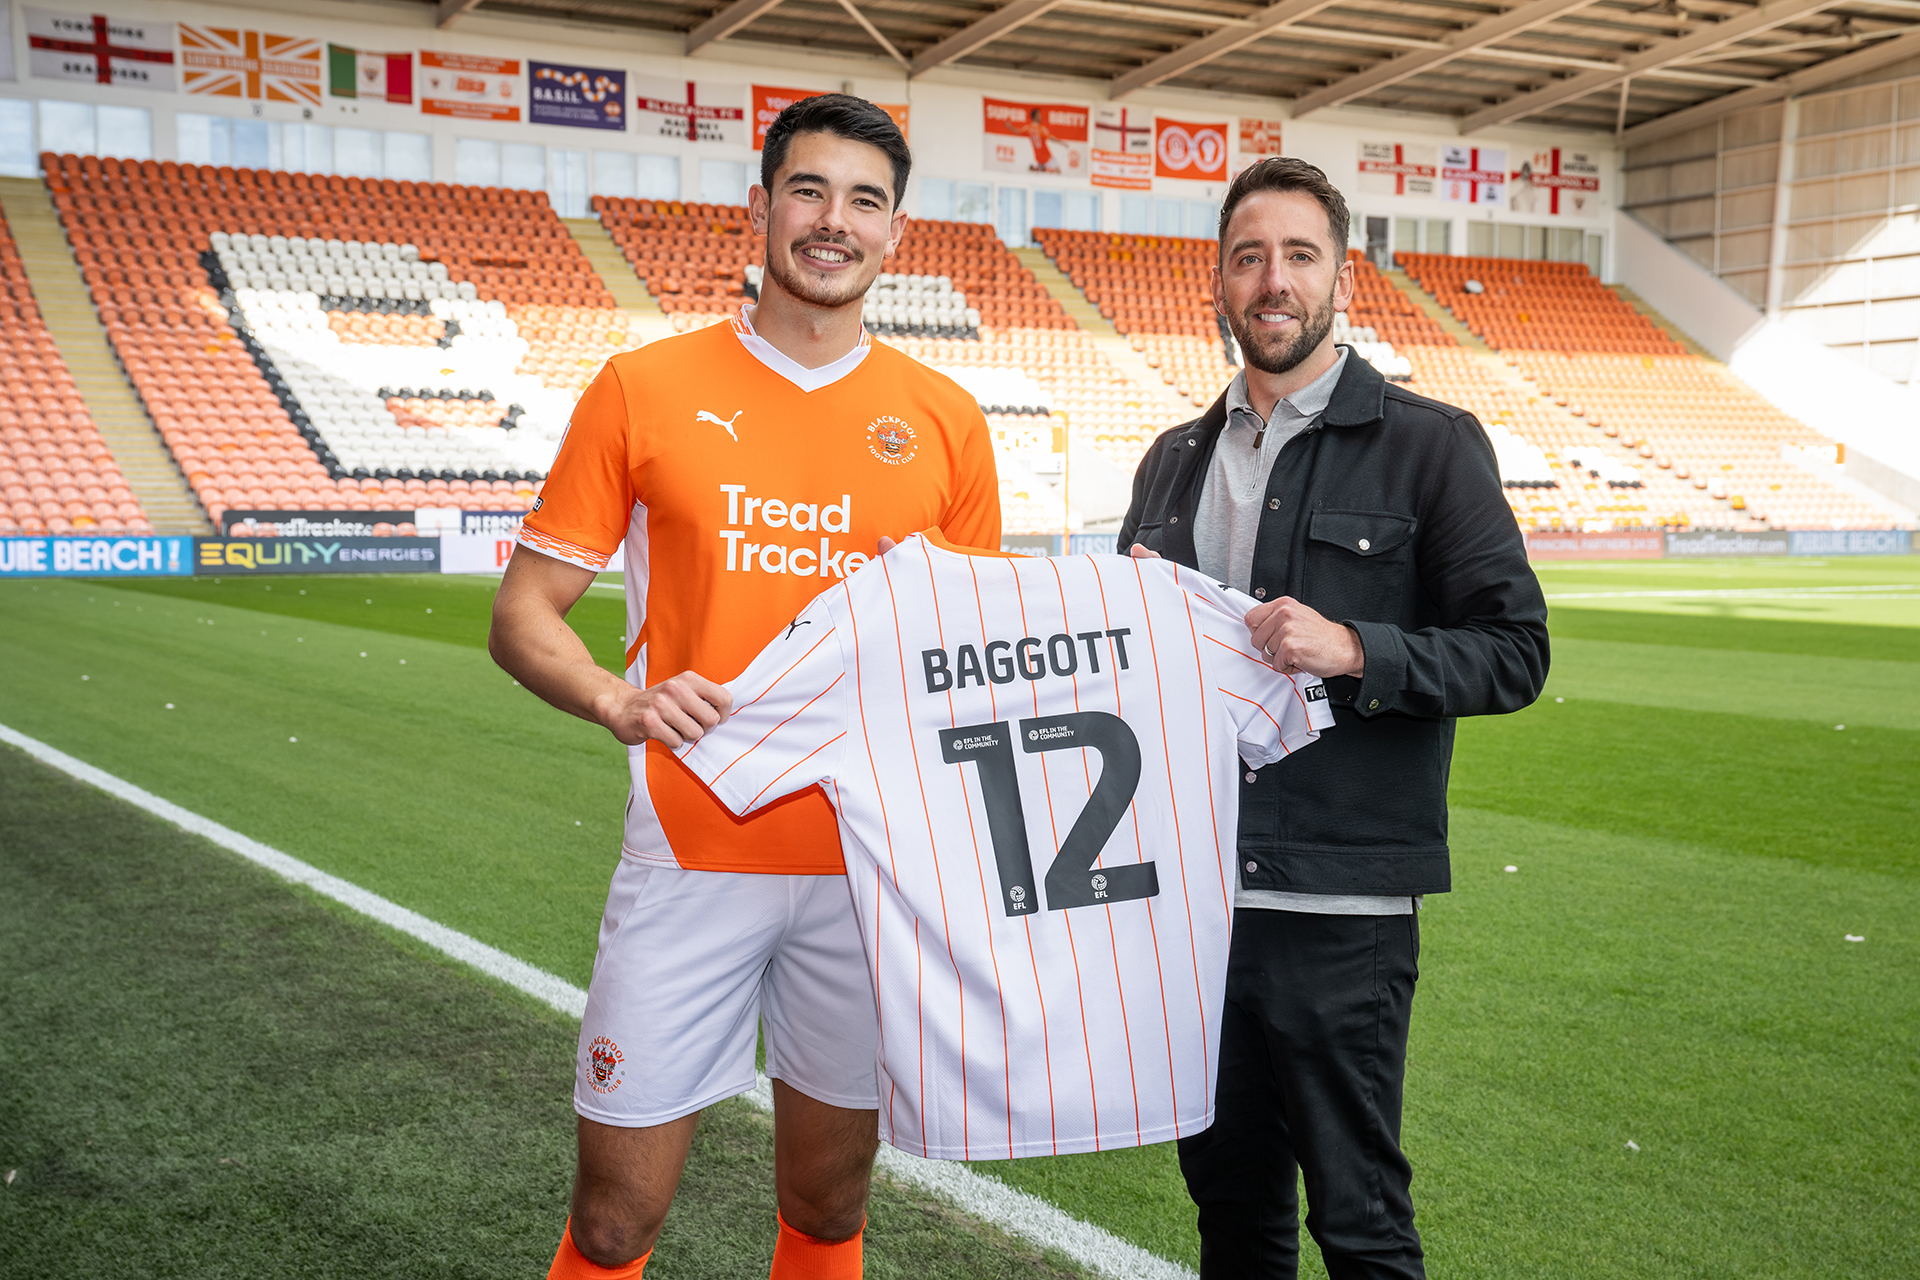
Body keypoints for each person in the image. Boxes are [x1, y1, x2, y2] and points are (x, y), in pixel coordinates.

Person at [489, 94, 1001, 1280]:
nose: (834, 221)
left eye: (865, 200)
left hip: (868, 873)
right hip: (691, 850)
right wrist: (616, 699)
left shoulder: (947, 420)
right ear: (761, 206)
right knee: (615, 1219)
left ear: (897, 231)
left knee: (827, 1205)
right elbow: (522, 612)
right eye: (809, 190)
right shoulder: (643, 386)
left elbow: (968, 655)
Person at [1118, 156, 1549, 1278]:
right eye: (1249, 257)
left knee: (1359, 1224)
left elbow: (1516, 652)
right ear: (1219, 280)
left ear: (1342, 278)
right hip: (1197, 906)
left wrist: (1356, 648)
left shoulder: (1429, 443)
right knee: (1232, 1217)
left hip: (1341, 911)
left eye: (1300, 256)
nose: (1274, 281)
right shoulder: (1172, 461)